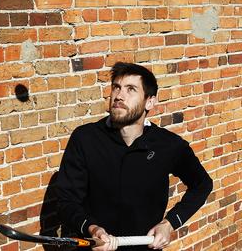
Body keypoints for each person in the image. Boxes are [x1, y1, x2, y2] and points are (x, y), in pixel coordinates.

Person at [55, 62, 213, 250]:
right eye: (116, 87)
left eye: (131, 89)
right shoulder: (85, 138)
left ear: (150, 101)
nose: (119, 96)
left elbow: (202, 185)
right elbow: (66, 201)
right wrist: (92, 228)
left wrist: (168, 224)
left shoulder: (168, 145)